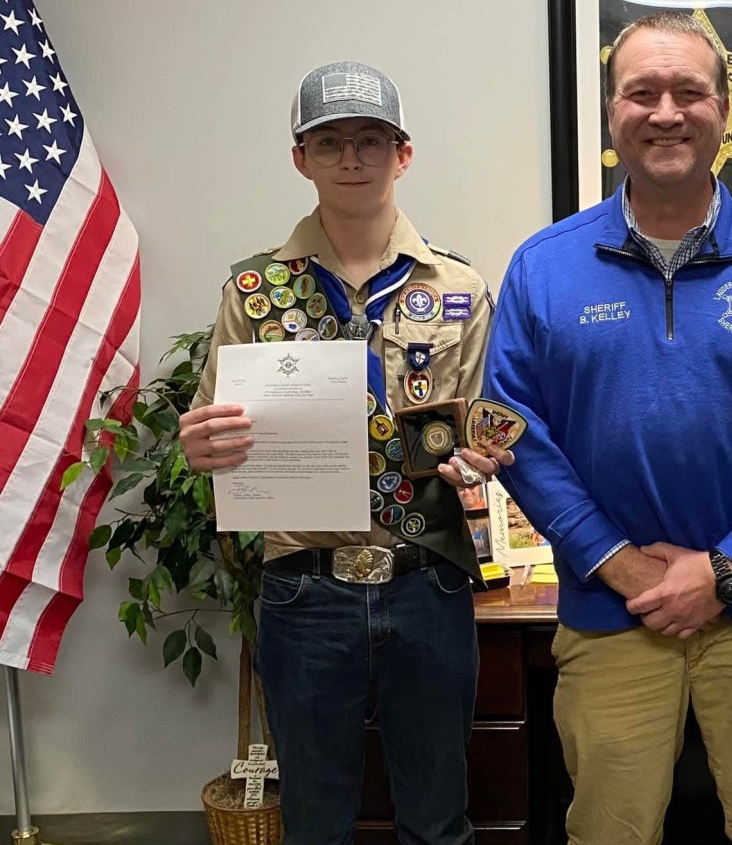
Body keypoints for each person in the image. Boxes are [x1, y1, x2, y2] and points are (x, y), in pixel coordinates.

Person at [484, 12, 732, 845]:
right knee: (609, 831)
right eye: (640, 92)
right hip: (613, 616)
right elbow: (514, 432)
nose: (665, 112)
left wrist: (728, 568)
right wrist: (614, 563)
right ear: (612, 115)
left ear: (726, 111)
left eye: (689, 92)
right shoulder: (544, 266)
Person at [179, 60, 511, 845]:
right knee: (315, 821)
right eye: (330, 143)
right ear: (301, 159)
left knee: (437, 817)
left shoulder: (459, 288)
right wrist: (203, 445)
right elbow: (210, 426)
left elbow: (481, 426)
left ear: (403, 154)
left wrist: (481, 459)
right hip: (302, 591)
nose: (352, 158)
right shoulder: (257, 289)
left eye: (371, 140)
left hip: (426, 581)